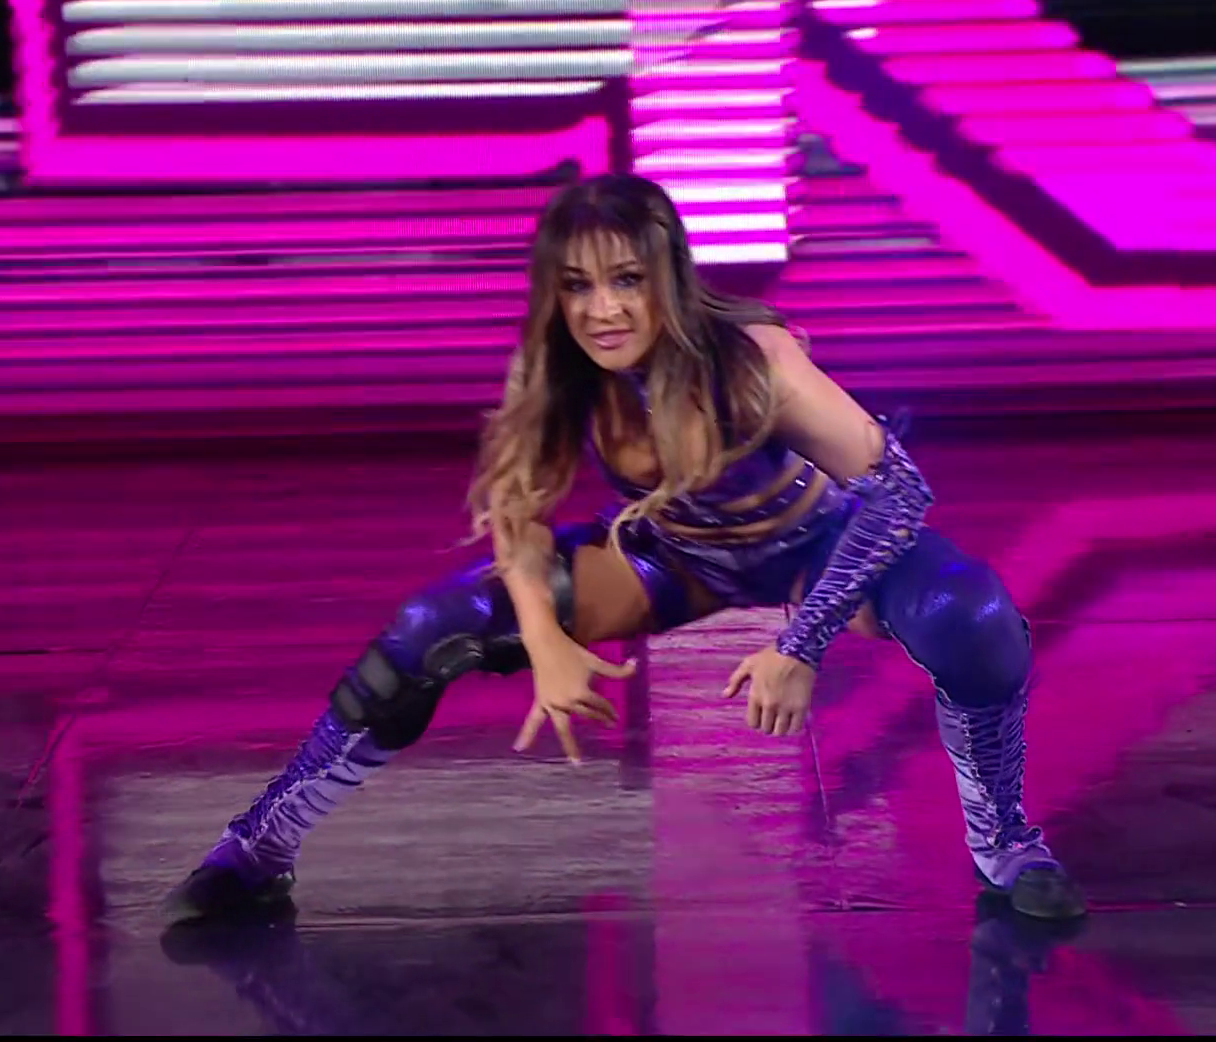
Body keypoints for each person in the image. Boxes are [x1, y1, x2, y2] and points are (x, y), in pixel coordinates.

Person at [164, 173, 1086, 922]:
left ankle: (1005, 842)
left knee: (970, 613)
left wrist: (799, 645)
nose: (602, 309)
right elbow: (518, 513)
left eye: (626, 280)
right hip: (674, 556)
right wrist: (547, 642)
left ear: (667, 277)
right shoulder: (562, 368)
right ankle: (261, 845)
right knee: (430, 627)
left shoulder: (752, 357)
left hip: (814, 541)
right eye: (577, 285)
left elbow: (898, 489)